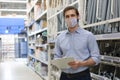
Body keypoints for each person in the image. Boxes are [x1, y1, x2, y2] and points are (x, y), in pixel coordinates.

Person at [54, 6, 100, 80]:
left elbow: (96, 58)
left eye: (72, 15)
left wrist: (81, 63)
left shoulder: (88, 36)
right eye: (67, 16)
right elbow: (56, 57)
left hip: (82, 76)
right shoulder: (60, 38)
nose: (70, 18)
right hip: (64, 76)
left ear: (78, 16)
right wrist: (62, 63)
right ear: (65, 19)